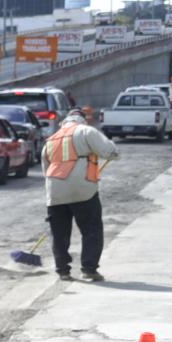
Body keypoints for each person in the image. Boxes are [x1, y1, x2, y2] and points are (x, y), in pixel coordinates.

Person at [42, 107, 118, 282]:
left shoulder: (51, 140)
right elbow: (110, 151)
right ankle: (89, 269)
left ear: (64, 122)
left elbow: (46, 170)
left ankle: (63, 271)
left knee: (59, 233)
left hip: (55, 192)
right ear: (82, 120)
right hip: (83, 189)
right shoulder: (87, 131)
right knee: (92, 230)